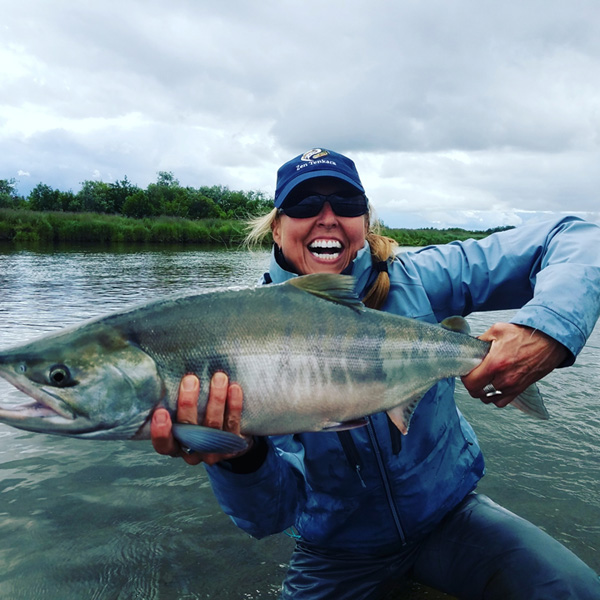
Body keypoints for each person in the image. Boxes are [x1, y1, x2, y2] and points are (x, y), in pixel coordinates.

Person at [151, 148, 600, 599]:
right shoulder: (240, 338)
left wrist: (548, 331)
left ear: (364, 223)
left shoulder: (422, 278)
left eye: (346, 205)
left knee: (576, 591)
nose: (327, 217)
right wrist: (239, 455)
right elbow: (272, 515)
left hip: (452, 519)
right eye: (305, 205)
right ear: (277, 226)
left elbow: (577, 237)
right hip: (337, 553)